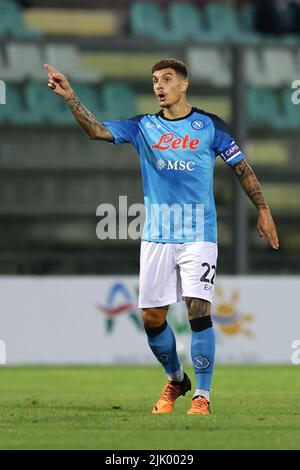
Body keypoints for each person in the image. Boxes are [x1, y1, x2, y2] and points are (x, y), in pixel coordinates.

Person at [44, 58, 279, 415]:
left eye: (167, 79)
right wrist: (70, 97)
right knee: (152, 318)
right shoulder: (143, 127)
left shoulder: (210, 126)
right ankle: (176, 380)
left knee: (198, 308)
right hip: (156, 236)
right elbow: (96, 131)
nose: (159, 85)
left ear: (184, 85)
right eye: (155, 80)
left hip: (199, 233)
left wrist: (262, 208)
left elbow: (241, 168)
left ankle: (203, 395)